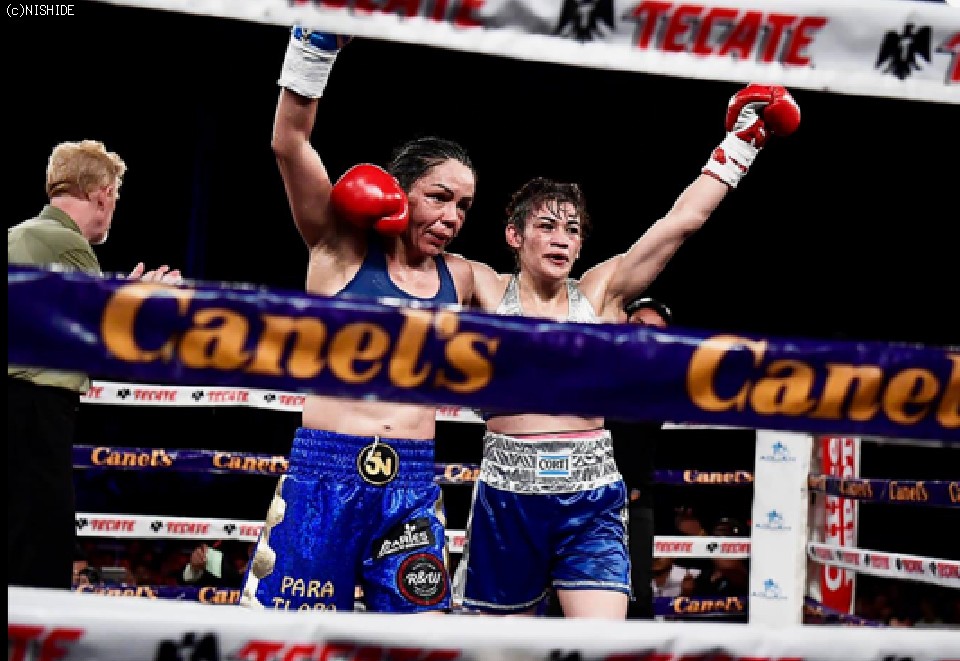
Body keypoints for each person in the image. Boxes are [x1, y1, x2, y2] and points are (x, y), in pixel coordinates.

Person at [454, 85, 801, 619]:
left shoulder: (599, 293)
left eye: (572, 229)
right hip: (507, 495)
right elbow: (416, 262)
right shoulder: (481, 286)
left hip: (589, 495)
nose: (561, 239)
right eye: (546, 226)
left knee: (600, 648)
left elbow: (679, 224)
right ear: (514, 236)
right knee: (503, 657)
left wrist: (743, 143)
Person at [239, 28, 480, 614]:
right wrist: (314, 48)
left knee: (420, 650)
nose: (452, 216)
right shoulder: (338, 250)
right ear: (400, 193)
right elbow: (288, 142)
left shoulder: (465, 277)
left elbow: (542, 310)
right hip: (325, 471)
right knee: (286, 648)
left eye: (464, 206)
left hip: (412, 487)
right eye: (439, 197)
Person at [8, 138, 181, 661]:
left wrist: (121, 296)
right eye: (115, 198)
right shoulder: (64, 243)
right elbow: (105, 342)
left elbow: (79, 320)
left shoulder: (26, 237)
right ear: (102, 194)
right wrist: (151, 304)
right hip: (32, 416)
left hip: (26, 413)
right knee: (37, 575)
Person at [608, 297, 673, 619]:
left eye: (654, 330)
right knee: (570, 587)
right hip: (582, 492)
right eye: (638, 325)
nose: (644, 334)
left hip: (634, 498)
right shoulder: (595, 363)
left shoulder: (663, 377)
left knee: (637, 594)